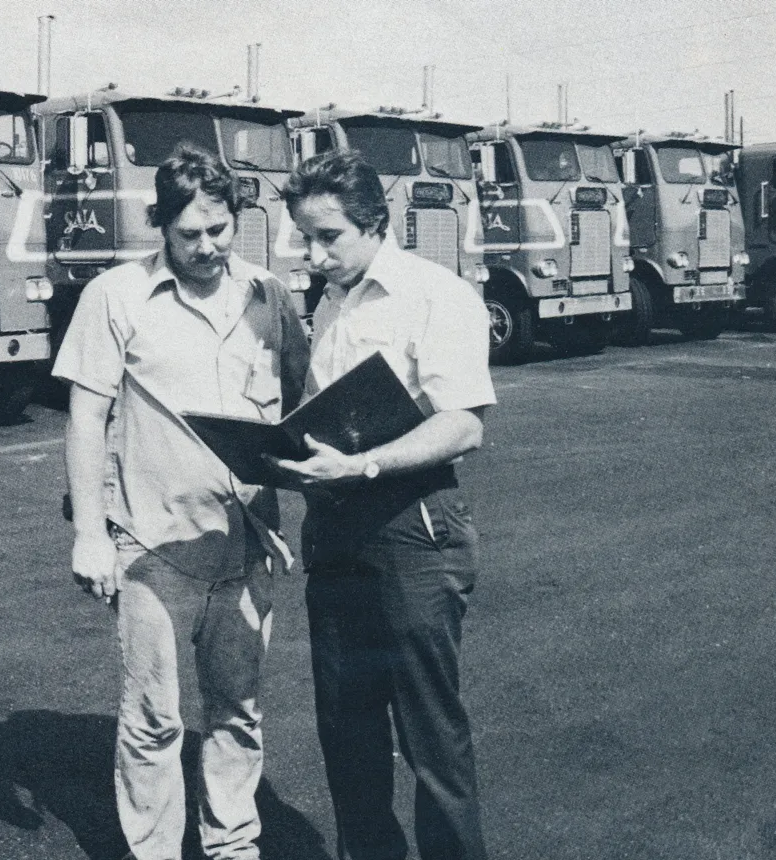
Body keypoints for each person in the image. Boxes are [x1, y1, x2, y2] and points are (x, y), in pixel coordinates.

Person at [53, 144, 310, 860]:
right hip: (152, 547)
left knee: (237, 713)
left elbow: (304, 400)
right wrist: (89, 535)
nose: (206, 247)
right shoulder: (115, 295)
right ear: (160, 227)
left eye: (220, 230)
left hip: (246, 545)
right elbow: (85, 417)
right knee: (152, 720)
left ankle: (232, 847)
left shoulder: (269, 295)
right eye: (189, 233)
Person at [271, 149, 495, 860]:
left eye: (328, 236)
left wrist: (365, 463)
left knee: (431, 736)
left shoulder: (435, 294)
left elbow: (462, 423)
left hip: (412, 526)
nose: (312, 255)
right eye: (303, 238)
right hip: (335, 529)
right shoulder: (331, 301)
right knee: (347, 730)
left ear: (375, 222)